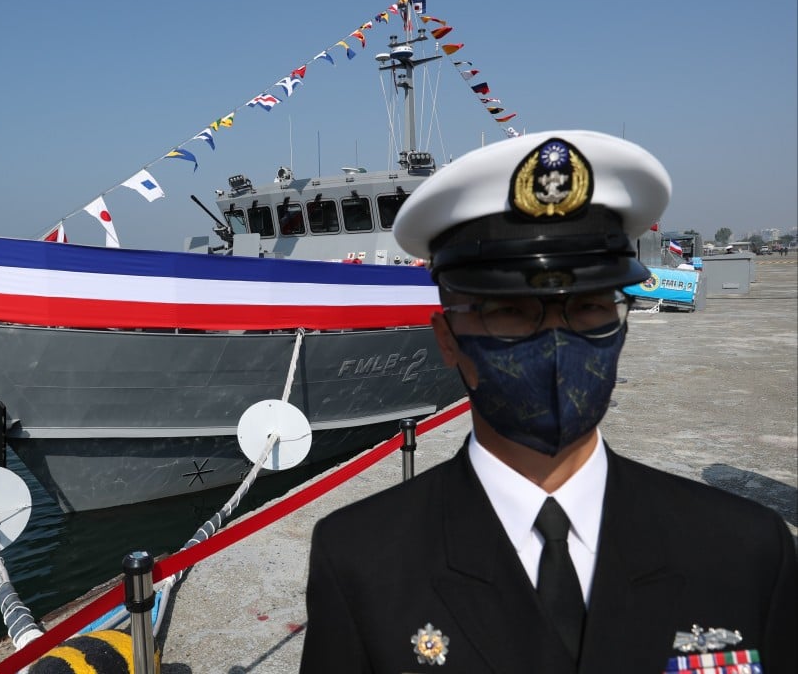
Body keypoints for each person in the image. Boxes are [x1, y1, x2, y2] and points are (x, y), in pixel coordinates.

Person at [300, 130, 797, 673]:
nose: (557, 343)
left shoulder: (745, 549)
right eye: (511, 311)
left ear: (621, 328)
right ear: (448, 340)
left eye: (587, 307)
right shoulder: (361, 562)